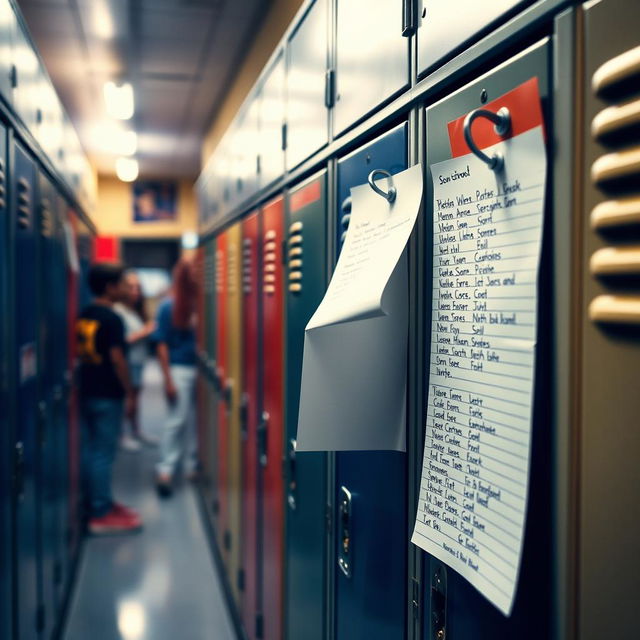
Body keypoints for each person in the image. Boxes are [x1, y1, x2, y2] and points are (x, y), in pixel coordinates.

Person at [76, 263, 143, 534]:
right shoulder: (112, 318)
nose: (124, 290)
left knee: (94, 449)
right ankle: (100, 512)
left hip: (89, 389)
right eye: (120, 285)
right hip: (108, 393)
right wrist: (130, 393)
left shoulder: (87, 313)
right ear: (109, 287)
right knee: (103, 453)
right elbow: (117, 359)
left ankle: (101, 501)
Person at [154, 257, 199, 497]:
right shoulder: (168, 306)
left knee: (196, 422)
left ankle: (192, 466)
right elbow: (161, 344)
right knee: (177, 420)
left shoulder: (203, 303)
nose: (197, 273)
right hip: (179, 369)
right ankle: (165, 470)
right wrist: (168, 379)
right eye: (192, 270)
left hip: (202, 370)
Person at [114, 270, 156, 451]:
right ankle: (123, 434)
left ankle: (136, 430)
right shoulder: (119, 311)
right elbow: (123, 340)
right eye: (131, 287)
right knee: (127, 398)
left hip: (139, 360)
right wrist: (146, 331)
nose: (135, 291)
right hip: (127, 361)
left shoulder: (136, 311)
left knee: (136, 397)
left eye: (138, 287)